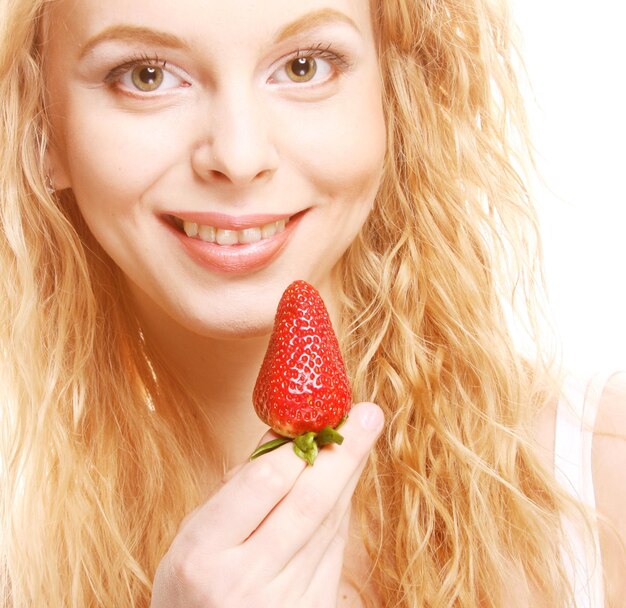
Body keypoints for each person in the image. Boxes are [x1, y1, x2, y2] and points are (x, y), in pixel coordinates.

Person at [0, 0, 624, 606]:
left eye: (305, 66)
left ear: (393, 97)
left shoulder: (601, 478)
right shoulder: (19, 568)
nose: (240, 157)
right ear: (43, 126)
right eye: (147, 75)